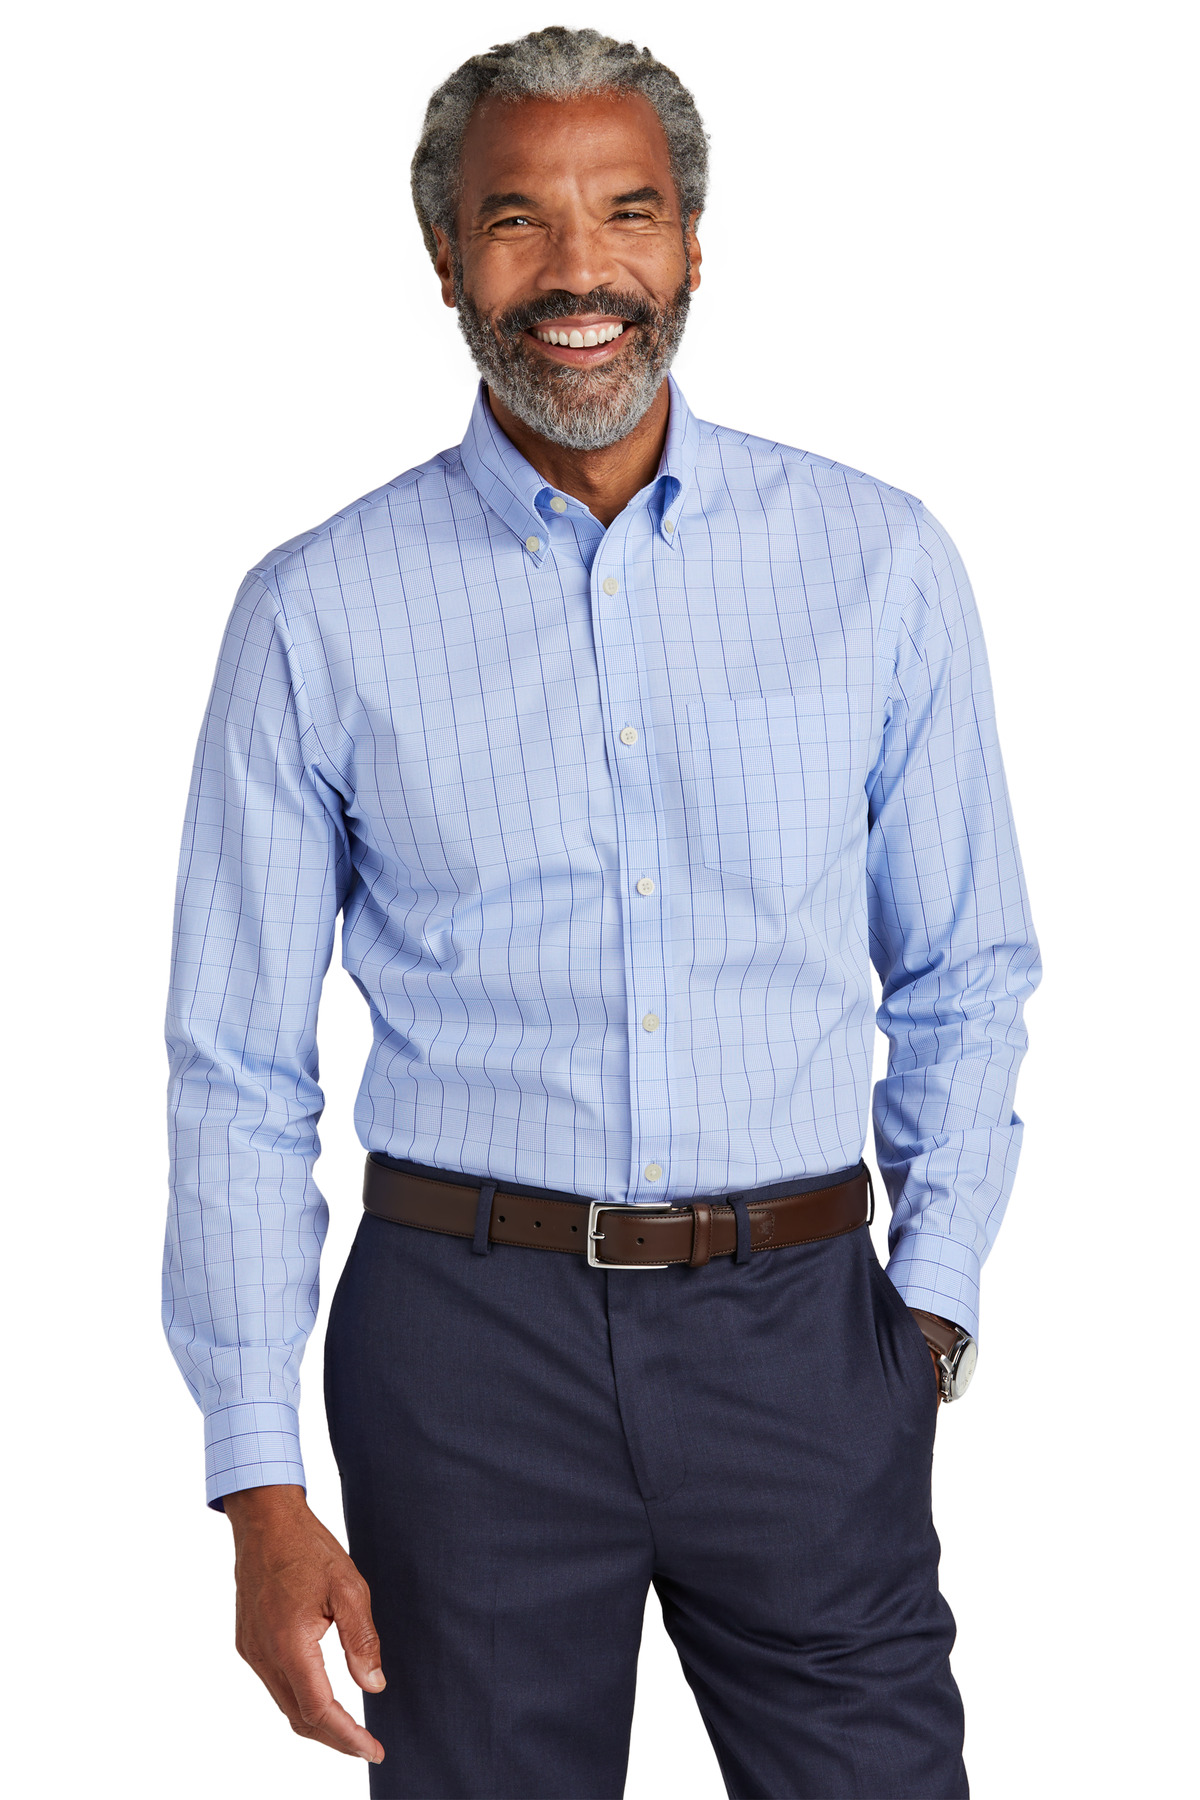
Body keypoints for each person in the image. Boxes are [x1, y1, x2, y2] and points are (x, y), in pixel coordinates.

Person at [163, 26, 1040, 1800]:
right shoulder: (314, 613)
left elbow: (965, 972)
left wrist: (926, 1316)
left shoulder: (877, 563)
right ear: (446, 259)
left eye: (626, 213)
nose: (579, 273)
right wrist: (258, 1479)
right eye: (518, 222)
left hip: (803, 1335)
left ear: (693, 242)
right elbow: (237, 1065)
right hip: (465, 1350)